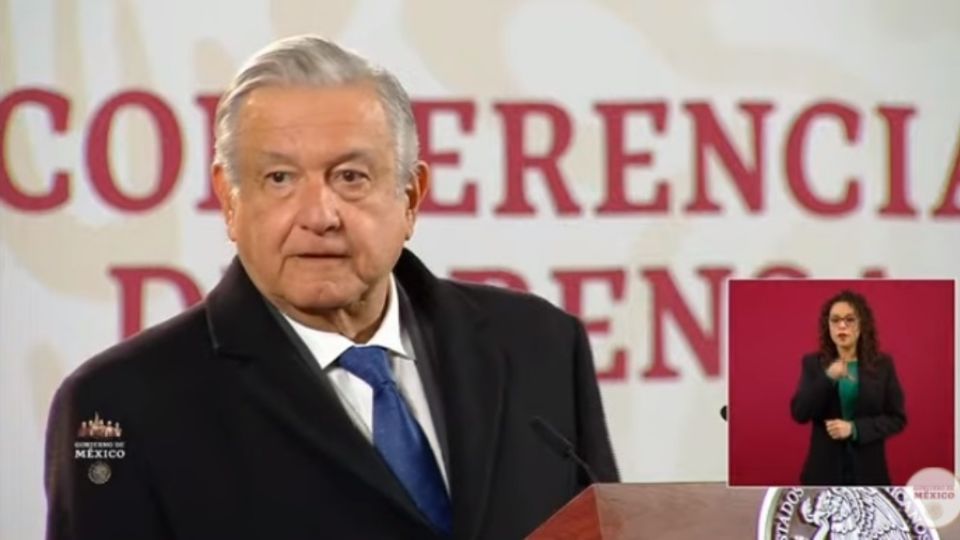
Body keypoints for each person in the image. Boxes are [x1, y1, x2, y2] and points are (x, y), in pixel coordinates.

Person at [44, 35, 618, 539]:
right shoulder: (121, 404)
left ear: (411, 197)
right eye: (280, 179)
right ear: (229, 199)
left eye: (351, 177)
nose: (319, 214)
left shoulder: (540, 345)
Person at [790, 289, 906, 485]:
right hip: (823, 473)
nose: (841, 325)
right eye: (835, 320)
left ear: (862, 325)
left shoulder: (882, 364)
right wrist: (828, 378)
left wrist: (855, 429)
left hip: (869, 474)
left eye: (849, 319)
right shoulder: (813, 363)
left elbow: (897, 418)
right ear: (828, 327)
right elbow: (800, 413)